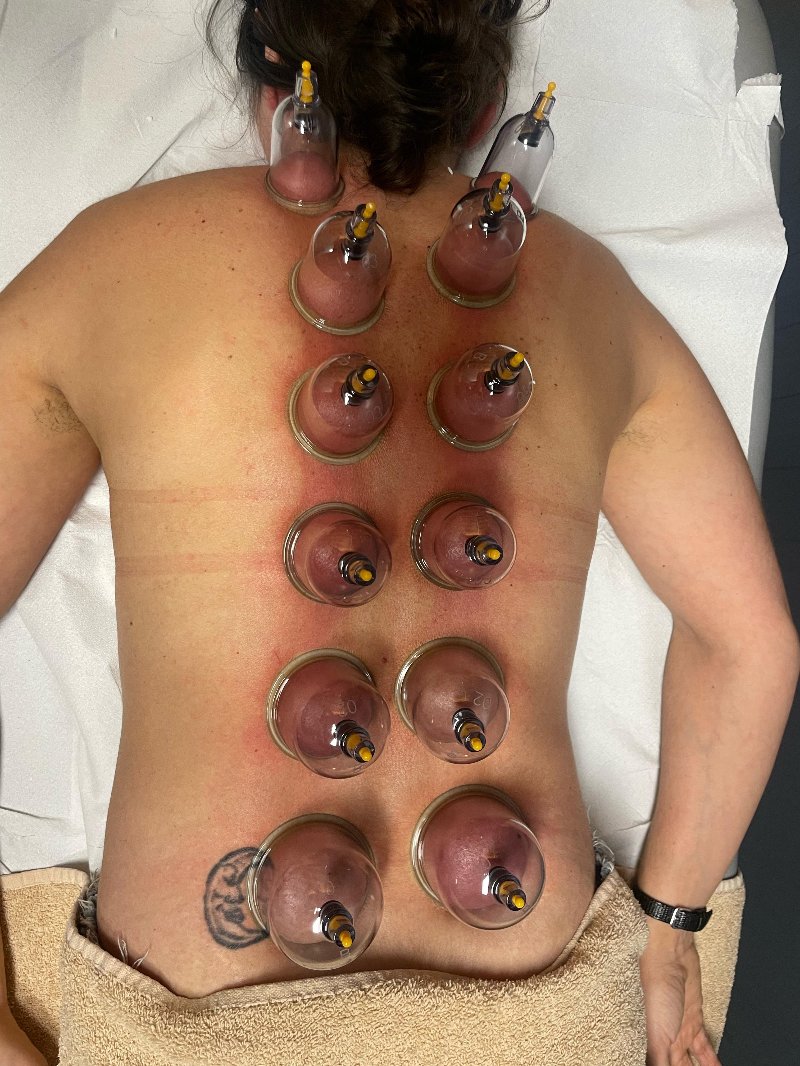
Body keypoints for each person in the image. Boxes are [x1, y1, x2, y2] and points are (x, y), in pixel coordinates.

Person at [0, 1, 796, 1063]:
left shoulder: (116, 262)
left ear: (269, 88)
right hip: (536, 1015)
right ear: (484, 104)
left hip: (202, 1016)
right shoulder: (585, 297)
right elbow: (749, 644)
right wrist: (669, 929)